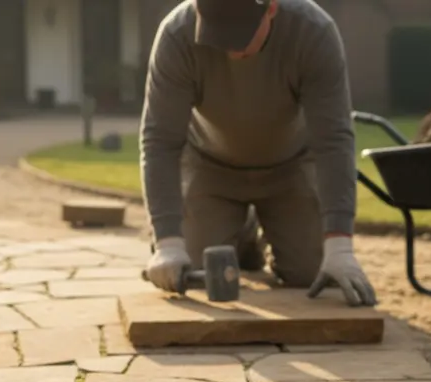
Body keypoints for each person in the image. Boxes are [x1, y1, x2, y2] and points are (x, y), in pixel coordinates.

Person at [139, 0, 377, 307]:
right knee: (193, 269)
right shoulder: (176, 35)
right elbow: (160, 141)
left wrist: (340, 245)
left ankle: (263, 224)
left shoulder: (314, 32)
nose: (231, 49)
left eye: (241, 33)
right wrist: (168, 241)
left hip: (289, 168)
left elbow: (333, 141)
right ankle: (241, 232)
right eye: (218, 33)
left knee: (310, 272)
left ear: (272, 8)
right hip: (211, 169)